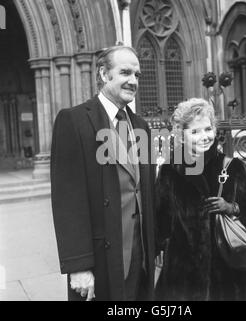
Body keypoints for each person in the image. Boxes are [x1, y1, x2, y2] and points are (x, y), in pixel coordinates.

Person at [51, 45, 156, 301]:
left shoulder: (141, 126)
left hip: (140, 258)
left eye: (137, 75)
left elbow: (147, 190)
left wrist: (155, 246)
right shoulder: (73, 121)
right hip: (101, 260)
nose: (133, 81)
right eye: (125, 72)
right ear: (103, 74)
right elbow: (68, 201)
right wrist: (78, 266)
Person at [155, 98, 246, 301]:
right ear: (181, 135)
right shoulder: (170, 171)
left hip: (229, 273)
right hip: (183, 276)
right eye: (195, 131)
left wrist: (232, 208)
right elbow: (160, 222)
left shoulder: (232, 167)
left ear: (215, 130)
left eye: (208, 129)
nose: (203, 137)